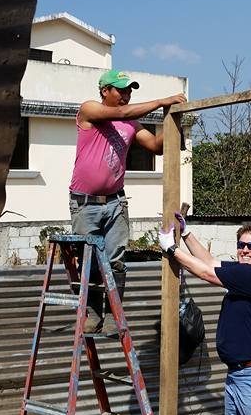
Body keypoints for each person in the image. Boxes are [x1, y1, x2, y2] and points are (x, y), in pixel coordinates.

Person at [70, 69, 185, 332]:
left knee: (116, 260)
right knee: (89, 260)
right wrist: (161, 102)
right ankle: (91, 313)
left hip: (115, 202)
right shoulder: (89, 110)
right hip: (85, 202)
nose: (126, 95)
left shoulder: (131, 124)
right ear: (104, 91)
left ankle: (112, 313)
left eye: (129, 90)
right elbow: (122, 113)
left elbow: (156, 146)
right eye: (121, 90)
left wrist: (173, 118)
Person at [159, 214, 251, 415]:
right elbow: (210, 262)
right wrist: (187, 234)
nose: (245, 250)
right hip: (240, 374)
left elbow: (206, 273)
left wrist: (171, 249)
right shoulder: (244, 272)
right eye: (241, 245)